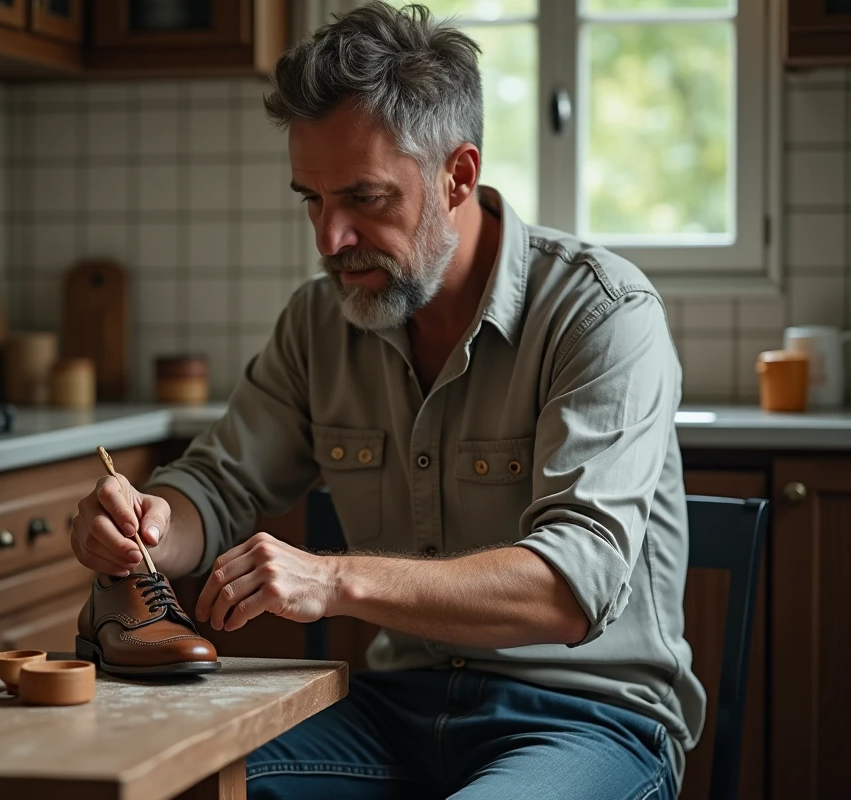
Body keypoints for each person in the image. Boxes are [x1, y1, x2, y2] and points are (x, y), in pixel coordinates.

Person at [70, 3, 701, 797]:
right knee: (178, 785)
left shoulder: (604, 315)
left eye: (365, 199)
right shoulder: (317, 320)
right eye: (311, 199)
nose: (329, 239)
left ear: (459, 176)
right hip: (388, 711)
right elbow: (220, 488)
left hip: (586, 720)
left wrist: (333, 581)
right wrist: (150, 528)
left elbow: (570, 588)